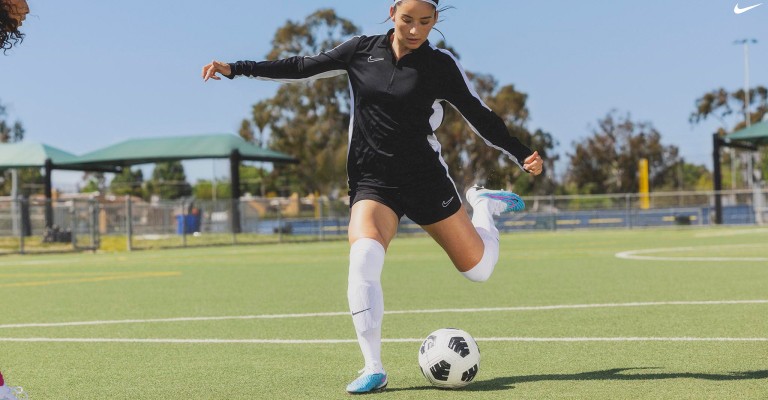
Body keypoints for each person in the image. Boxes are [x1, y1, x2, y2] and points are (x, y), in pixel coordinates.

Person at [202, 0, 544, 394]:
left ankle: (483, 204)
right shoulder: (360, 50)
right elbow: (302, 67)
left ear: (435, 21)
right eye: (407, 20)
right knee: (363, 255)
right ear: (392, 13)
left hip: (425, 181)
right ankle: (373, 367)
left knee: (479, 270)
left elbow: (478, 114)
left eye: (425, 22)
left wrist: (520, 153)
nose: (415, 30)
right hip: (372, 182)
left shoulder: (439, 65)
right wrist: (237, 69)